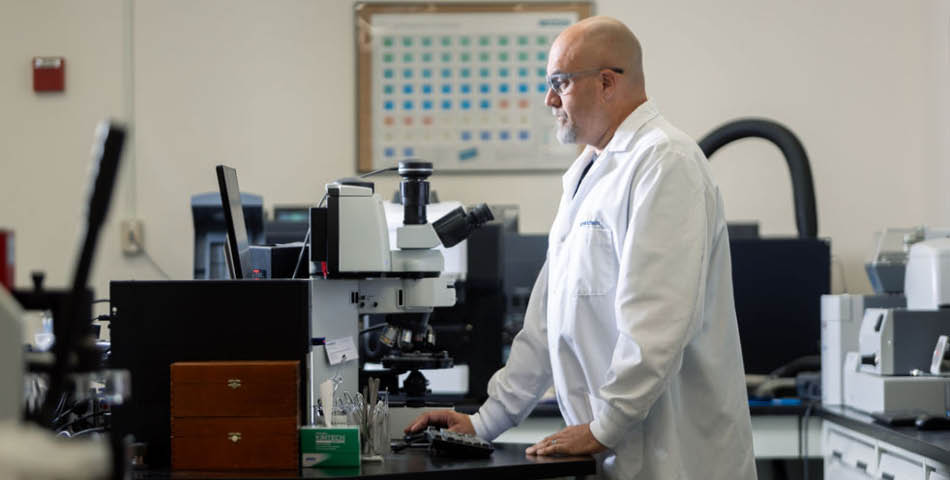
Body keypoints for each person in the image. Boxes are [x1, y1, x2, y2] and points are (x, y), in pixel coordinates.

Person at [406, 16, 757, 479]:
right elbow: (549, 324)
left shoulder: (665, 163)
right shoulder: (589, 173)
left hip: (674, 459)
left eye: (559, 83)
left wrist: (603, 427)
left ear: (607, 83)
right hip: (613, 455)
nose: (549, 100)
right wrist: (484, 422)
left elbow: (658, 322)